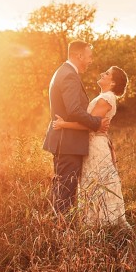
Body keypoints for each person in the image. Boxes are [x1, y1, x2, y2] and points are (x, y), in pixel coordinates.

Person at [52, 66, 129, 227]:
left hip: (95, 146)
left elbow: (89, 125)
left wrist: (63, 124)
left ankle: (101, 223)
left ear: (113, 82)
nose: (102, 73)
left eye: (107, 73)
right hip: (92, 144)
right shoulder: (103, 96)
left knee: (97, 181)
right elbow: (93, 123)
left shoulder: (106, 98)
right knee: (94, 182)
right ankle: (98, 222)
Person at [43, 40, 110, 215]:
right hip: (68, 142)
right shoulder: (69, 75)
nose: (90, 61)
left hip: (66, 141)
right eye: (89, 56)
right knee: (65, 192)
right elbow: (73, 110)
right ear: (78, 55)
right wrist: (97, 123)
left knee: (63, 190)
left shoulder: (64, 72)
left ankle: (59, 230)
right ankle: (61, 233)